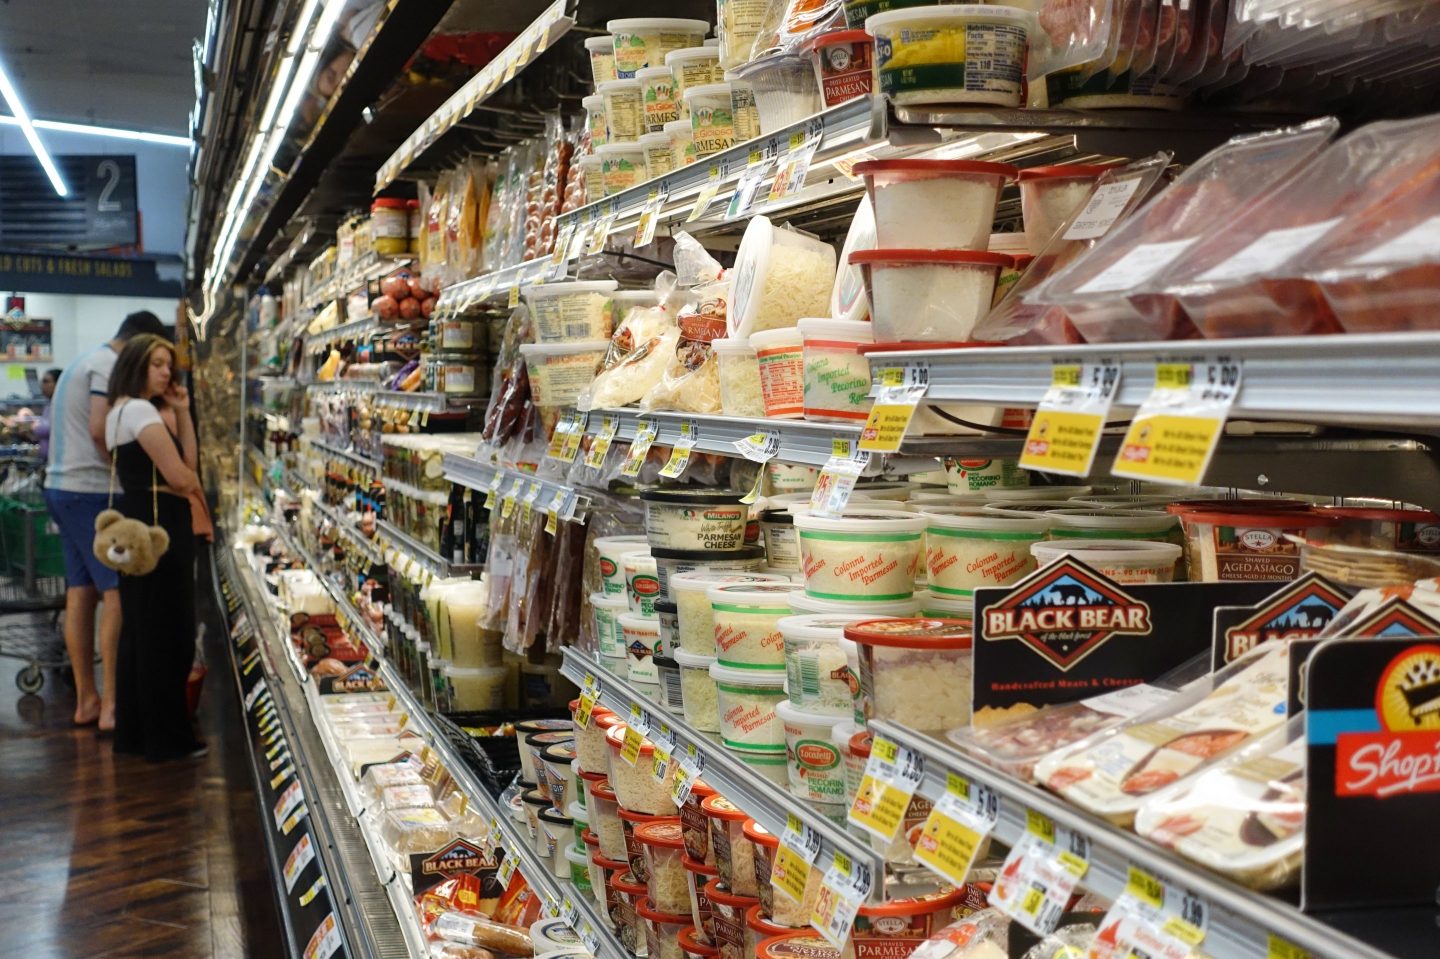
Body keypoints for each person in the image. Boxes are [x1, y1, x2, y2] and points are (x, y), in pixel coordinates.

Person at [43, 312, 169, 729]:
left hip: (62, 485)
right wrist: (125, 471)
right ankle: (113, 706)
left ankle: (88, 701)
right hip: (91, 489)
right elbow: (100, 429)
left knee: (80, 591)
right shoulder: (107, 366)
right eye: (156, 359)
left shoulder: (84, 359)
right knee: (116, 590)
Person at [104, 333, 203, 761]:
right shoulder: (141, 409)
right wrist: (194, 485)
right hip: (161, 529)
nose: (166, 372)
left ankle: (136, 735)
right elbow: (184, 477)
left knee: (141, 633)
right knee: (168, 635)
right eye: (157, 364)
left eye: (168, 364)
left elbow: (187, 466)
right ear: (136, 366)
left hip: (138, 523)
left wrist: (181, 412)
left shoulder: (117, 412)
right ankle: (168, 739)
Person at [32, 368, 60, 460]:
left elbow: (51, 429)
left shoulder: (62, 406)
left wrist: (33, 427)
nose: (42, 386)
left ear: (58, 383)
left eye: (46, 382)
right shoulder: (48, 405)